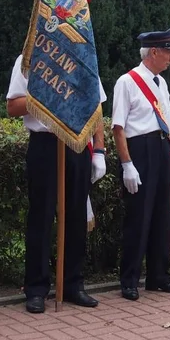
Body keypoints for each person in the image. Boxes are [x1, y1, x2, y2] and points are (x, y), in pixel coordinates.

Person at [7, 53, 106, 314]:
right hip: (45, 143)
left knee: (75, 216)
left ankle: (73, 284)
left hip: (76, 143)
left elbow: (96, 107)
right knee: (41, 216)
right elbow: (12, 107)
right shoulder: (28, 58)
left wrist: (99, 150)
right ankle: (36, 288)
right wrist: (43, 97)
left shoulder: (84, 55)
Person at [111, 30, 170, 300]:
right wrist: (127, 164)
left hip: (162, 148)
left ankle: (159, 276)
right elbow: (118, 127)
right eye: (169, 52)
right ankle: (129, 280)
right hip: (139, 151)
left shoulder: (160, 83)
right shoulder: (127, 82)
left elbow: (167, 123)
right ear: (153, 52)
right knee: (138, 218)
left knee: (162, 217)